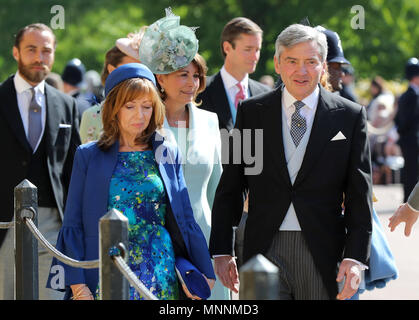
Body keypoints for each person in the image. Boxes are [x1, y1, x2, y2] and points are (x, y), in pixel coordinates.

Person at [209, 24, 373, 300]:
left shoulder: (349, 116)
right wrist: (222, 249)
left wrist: (356, 256)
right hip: (262, 248)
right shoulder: (251, 113)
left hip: (324, 250)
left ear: (322, 65)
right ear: (277, 63)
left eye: (311, 62)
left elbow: (360, 194)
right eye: (292, 61)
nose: (302, 71)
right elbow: (232, 185)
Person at [47, 63, 215, 300]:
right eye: (130, 106)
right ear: (114, 108)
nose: (140, 115)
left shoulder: (167, 151)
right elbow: (73, 224)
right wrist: (77, 284)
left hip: (160, 270)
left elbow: (185, 216)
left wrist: (205, 271)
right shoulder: (87, 155)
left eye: (147, 106)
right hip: (106, 268)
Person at [139, 9, 227, 300]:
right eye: (182, 75)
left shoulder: (210, 121)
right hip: (158, 242)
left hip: (206, 243)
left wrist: (225, 249)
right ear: (160, 78)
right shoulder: (144, 124)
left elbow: (217, 189)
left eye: (196, 75)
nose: (191, 82)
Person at [0, 23, 81, 300]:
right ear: (15, 52)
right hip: (4, 221)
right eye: (31, 49)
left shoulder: (67, 105)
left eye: (46, 51)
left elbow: (72, 170)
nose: (39, 57)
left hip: (53, 224)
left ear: (54, 54)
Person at [198, 17, 270, 132]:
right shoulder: (200, 91)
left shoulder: (267, 94)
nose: (255, 57)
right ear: (227, 48)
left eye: (257, 50)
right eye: (248, 49)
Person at [79, 30, 144, 143]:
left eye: (144, 70)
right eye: (130, 69)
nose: (138, 77)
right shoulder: (92, 116)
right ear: (112, 70)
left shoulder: (154, 113)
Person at [394, 57, 419, 202]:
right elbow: (407, 120)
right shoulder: (413, 96)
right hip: (412, 140)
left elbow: (398, 120)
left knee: (411, 172)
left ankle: (410, 201)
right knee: (412, 173)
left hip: (407, 139)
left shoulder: (406, 95)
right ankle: (410, 202)